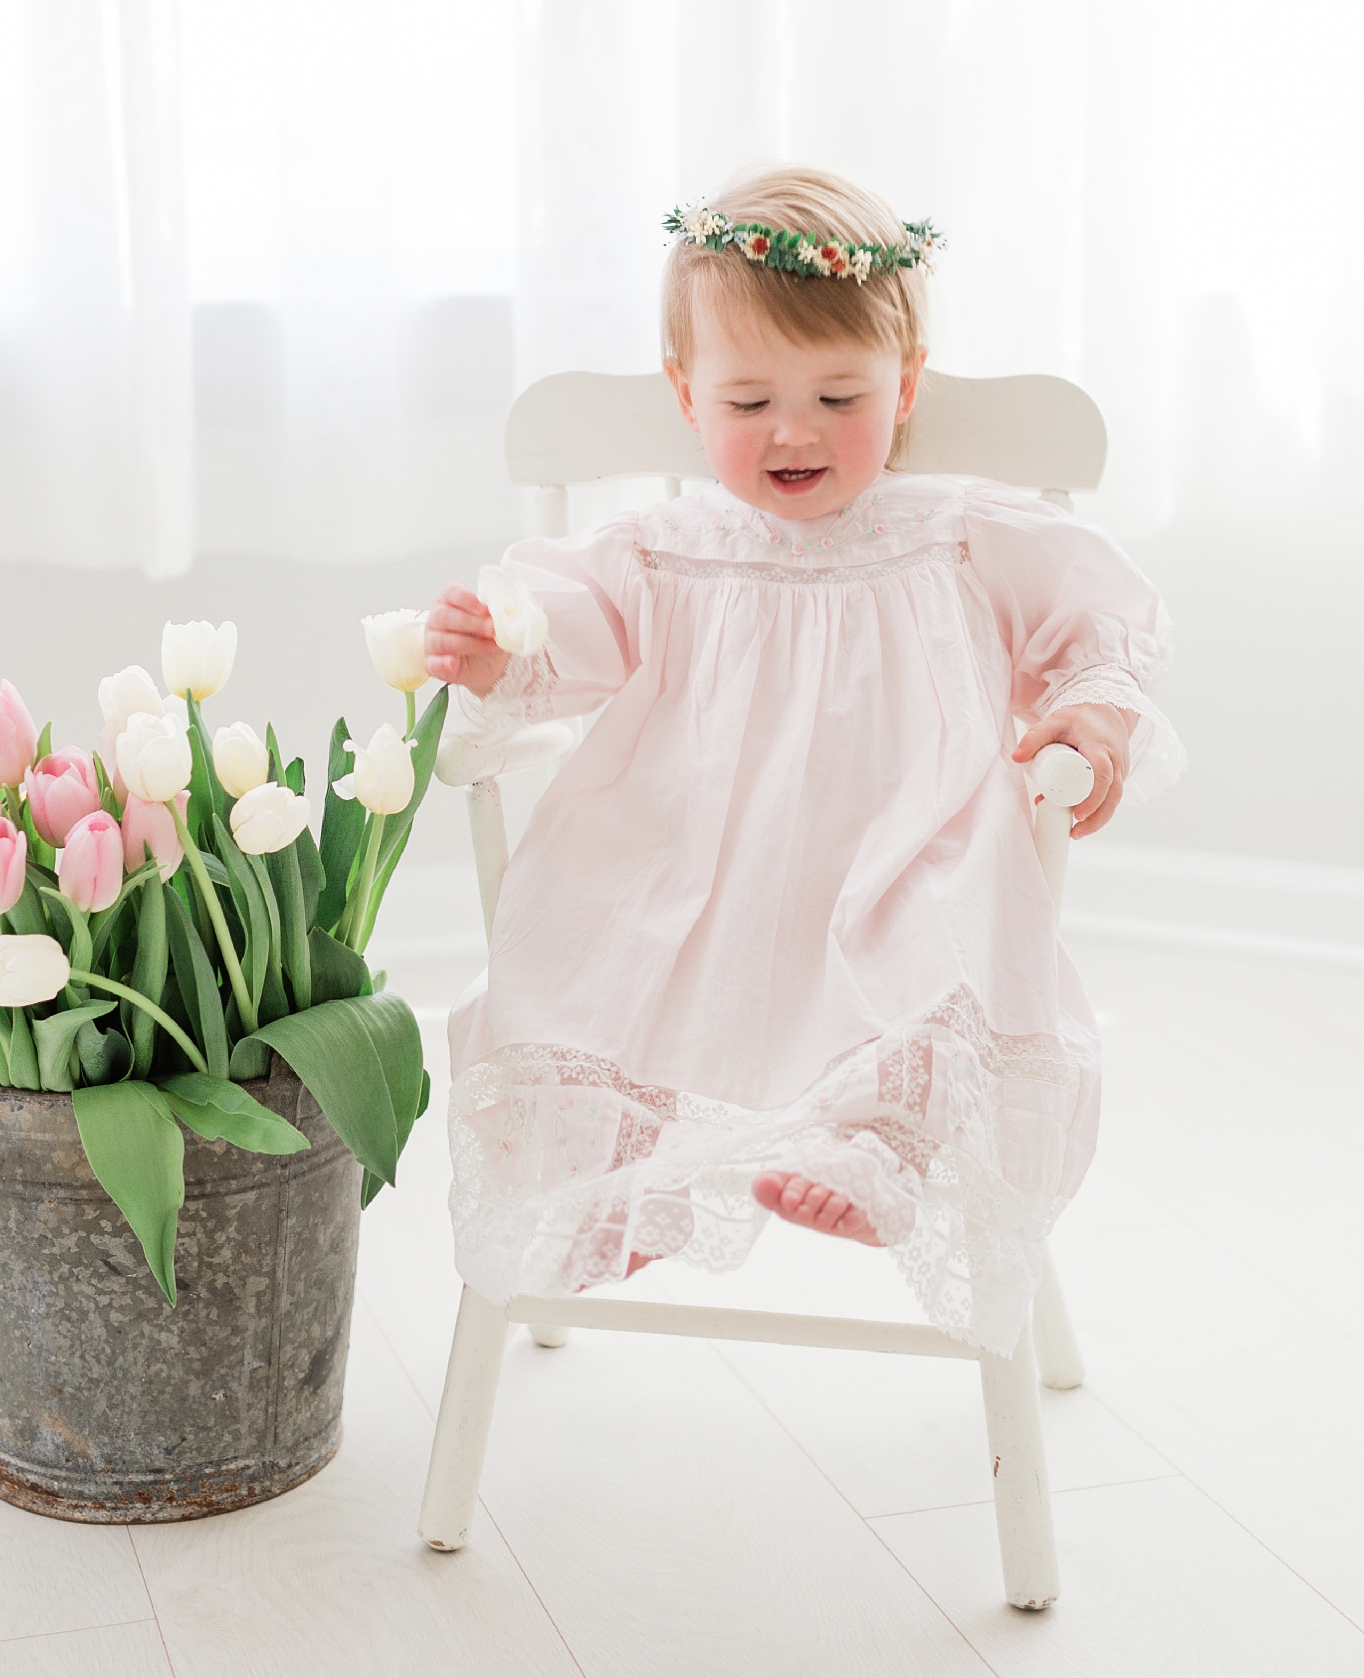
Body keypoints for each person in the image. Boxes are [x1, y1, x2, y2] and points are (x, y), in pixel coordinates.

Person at [423, 166, 1183, 1355]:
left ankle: (877, 1144)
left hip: (904, 842)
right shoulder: (661, 549)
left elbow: (1096, 618)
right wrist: (493, 645)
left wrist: (1090, 716)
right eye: (748, 399)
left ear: (905, 385)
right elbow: (558, 630)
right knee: (597, 949)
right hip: (685, 849)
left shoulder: (959, 531)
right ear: (684, 393)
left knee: (950, 938)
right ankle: (624, 1175)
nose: (794, 429)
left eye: (839, 394)